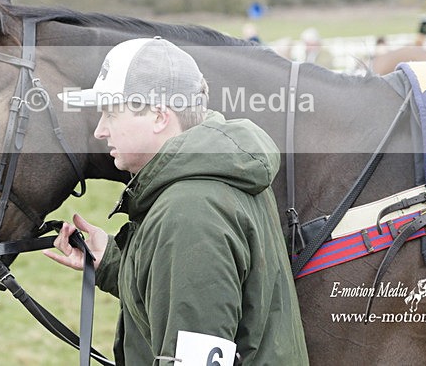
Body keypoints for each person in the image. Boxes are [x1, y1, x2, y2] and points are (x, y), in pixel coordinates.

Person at [48, 37, 308, 365]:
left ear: (158, 116)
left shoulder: (190, 211)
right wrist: (113, 263)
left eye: (111, 113)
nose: (100, 130)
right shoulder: (210, 179)